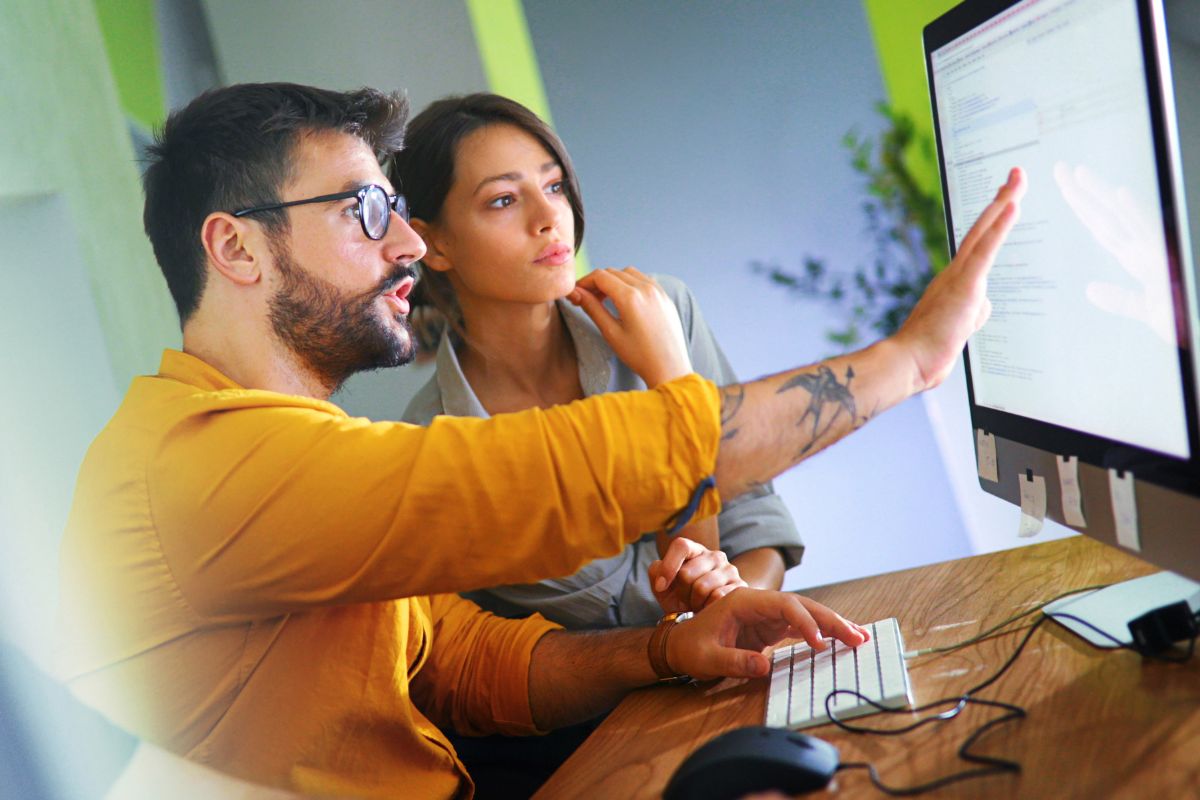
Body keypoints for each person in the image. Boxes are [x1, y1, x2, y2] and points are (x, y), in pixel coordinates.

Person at [56, 82, 1024, 799]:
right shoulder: (194, 466)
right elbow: (541, 479)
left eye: (394, 211)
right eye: (363, 211)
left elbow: (467, 659)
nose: (402, 246)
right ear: (235, 247)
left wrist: (669, 646)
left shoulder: (298, 446)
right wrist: (908, 360)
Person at [394, 93, 800, 629]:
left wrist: (737, 604)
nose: (549, 218)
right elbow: (658, 604)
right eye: (503, 200)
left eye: (554, 185)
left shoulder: (664, 310)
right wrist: (672, 384)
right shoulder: (437, 450)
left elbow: (755, 526)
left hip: (744, 662)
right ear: (432, 244)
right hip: (617, 711)